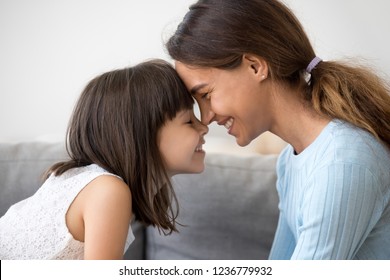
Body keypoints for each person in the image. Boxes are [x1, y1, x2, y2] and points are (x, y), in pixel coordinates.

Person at [166, 0, 390, 259]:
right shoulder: (290, 160)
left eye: (206, 94)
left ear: (255, 66)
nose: (205, 118)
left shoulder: (343, 162)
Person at [0, 59, 208, 260]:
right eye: (189, 120)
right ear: (140, 134)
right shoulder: (107, 191)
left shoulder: (95, 185)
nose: (204, 127)